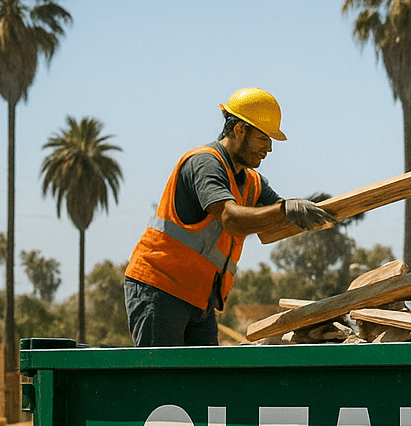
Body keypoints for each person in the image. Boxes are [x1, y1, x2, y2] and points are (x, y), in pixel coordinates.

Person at [124, 88, 335, 346]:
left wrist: (320, 212)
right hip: (160, 288)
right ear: (239, 130)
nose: (269, 148)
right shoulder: (204, 163)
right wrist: (286, 210)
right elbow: (232, 219)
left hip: (200, 300)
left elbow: (282, 212)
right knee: (161, 382)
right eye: (263, 137)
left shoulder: (252, 182)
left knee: (204, 384)